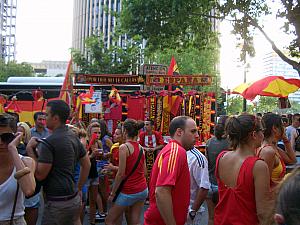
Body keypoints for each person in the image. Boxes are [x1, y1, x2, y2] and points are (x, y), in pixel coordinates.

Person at [26, 100, 91, 225]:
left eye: (47, 114)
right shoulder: (72, 136)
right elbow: (86, 164)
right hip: (73, 198)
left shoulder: (49, 142)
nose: (45, 117)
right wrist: (78, 188)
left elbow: (40, 175)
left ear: (55, 118)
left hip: (57, 202)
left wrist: (30, 150)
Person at [214, 114, 270, 225]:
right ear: (254, 134)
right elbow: (263, 212)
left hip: (221, 221)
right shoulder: (258, 166)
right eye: (262, 131)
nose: (263, 135)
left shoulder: (221, 157)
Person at [144, 116, 199, 225]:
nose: (197, 136)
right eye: (193, 131)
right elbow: (161, 191)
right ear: (179, 132)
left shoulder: (175, 150)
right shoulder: (176, 151)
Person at [106, 119, 148, 225]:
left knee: (109, 220)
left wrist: (112, 193)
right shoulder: (141, 148)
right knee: (135, 220)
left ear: (125, 132)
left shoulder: (124, 147)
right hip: (142, 189)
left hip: (129, 191)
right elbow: (145, 172)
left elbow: (121, 173)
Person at [0, 113, 36, 224]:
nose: (0, 142)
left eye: (6, 138)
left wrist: (12, 149)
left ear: (15, 137)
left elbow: (29, 190)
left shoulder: (26, 162)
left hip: (13, 221)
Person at [257, 113, 296, 189]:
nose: (285, 128)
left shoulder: (274, 148)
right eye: (282, 125)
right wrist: (286, 182)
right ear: (274, 128)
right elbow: (265, 185)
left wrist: (285, 139)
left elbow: (292, 160)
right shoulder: (268, 152)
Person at [205, 115, 229, 225]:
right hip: (224, 185)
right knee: (224, 217)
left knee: (211, 218)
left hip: (210, 183)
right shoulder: (231, 143)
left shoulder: (209, 142)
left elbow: (207, 162)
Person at [185, 146, 210, 225]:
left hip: (189, 210)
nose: (196, 135)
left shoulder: (197, 157)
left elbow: (204, 187)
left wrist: (192, 211)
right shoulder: (172, 152)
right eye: (193, 132)